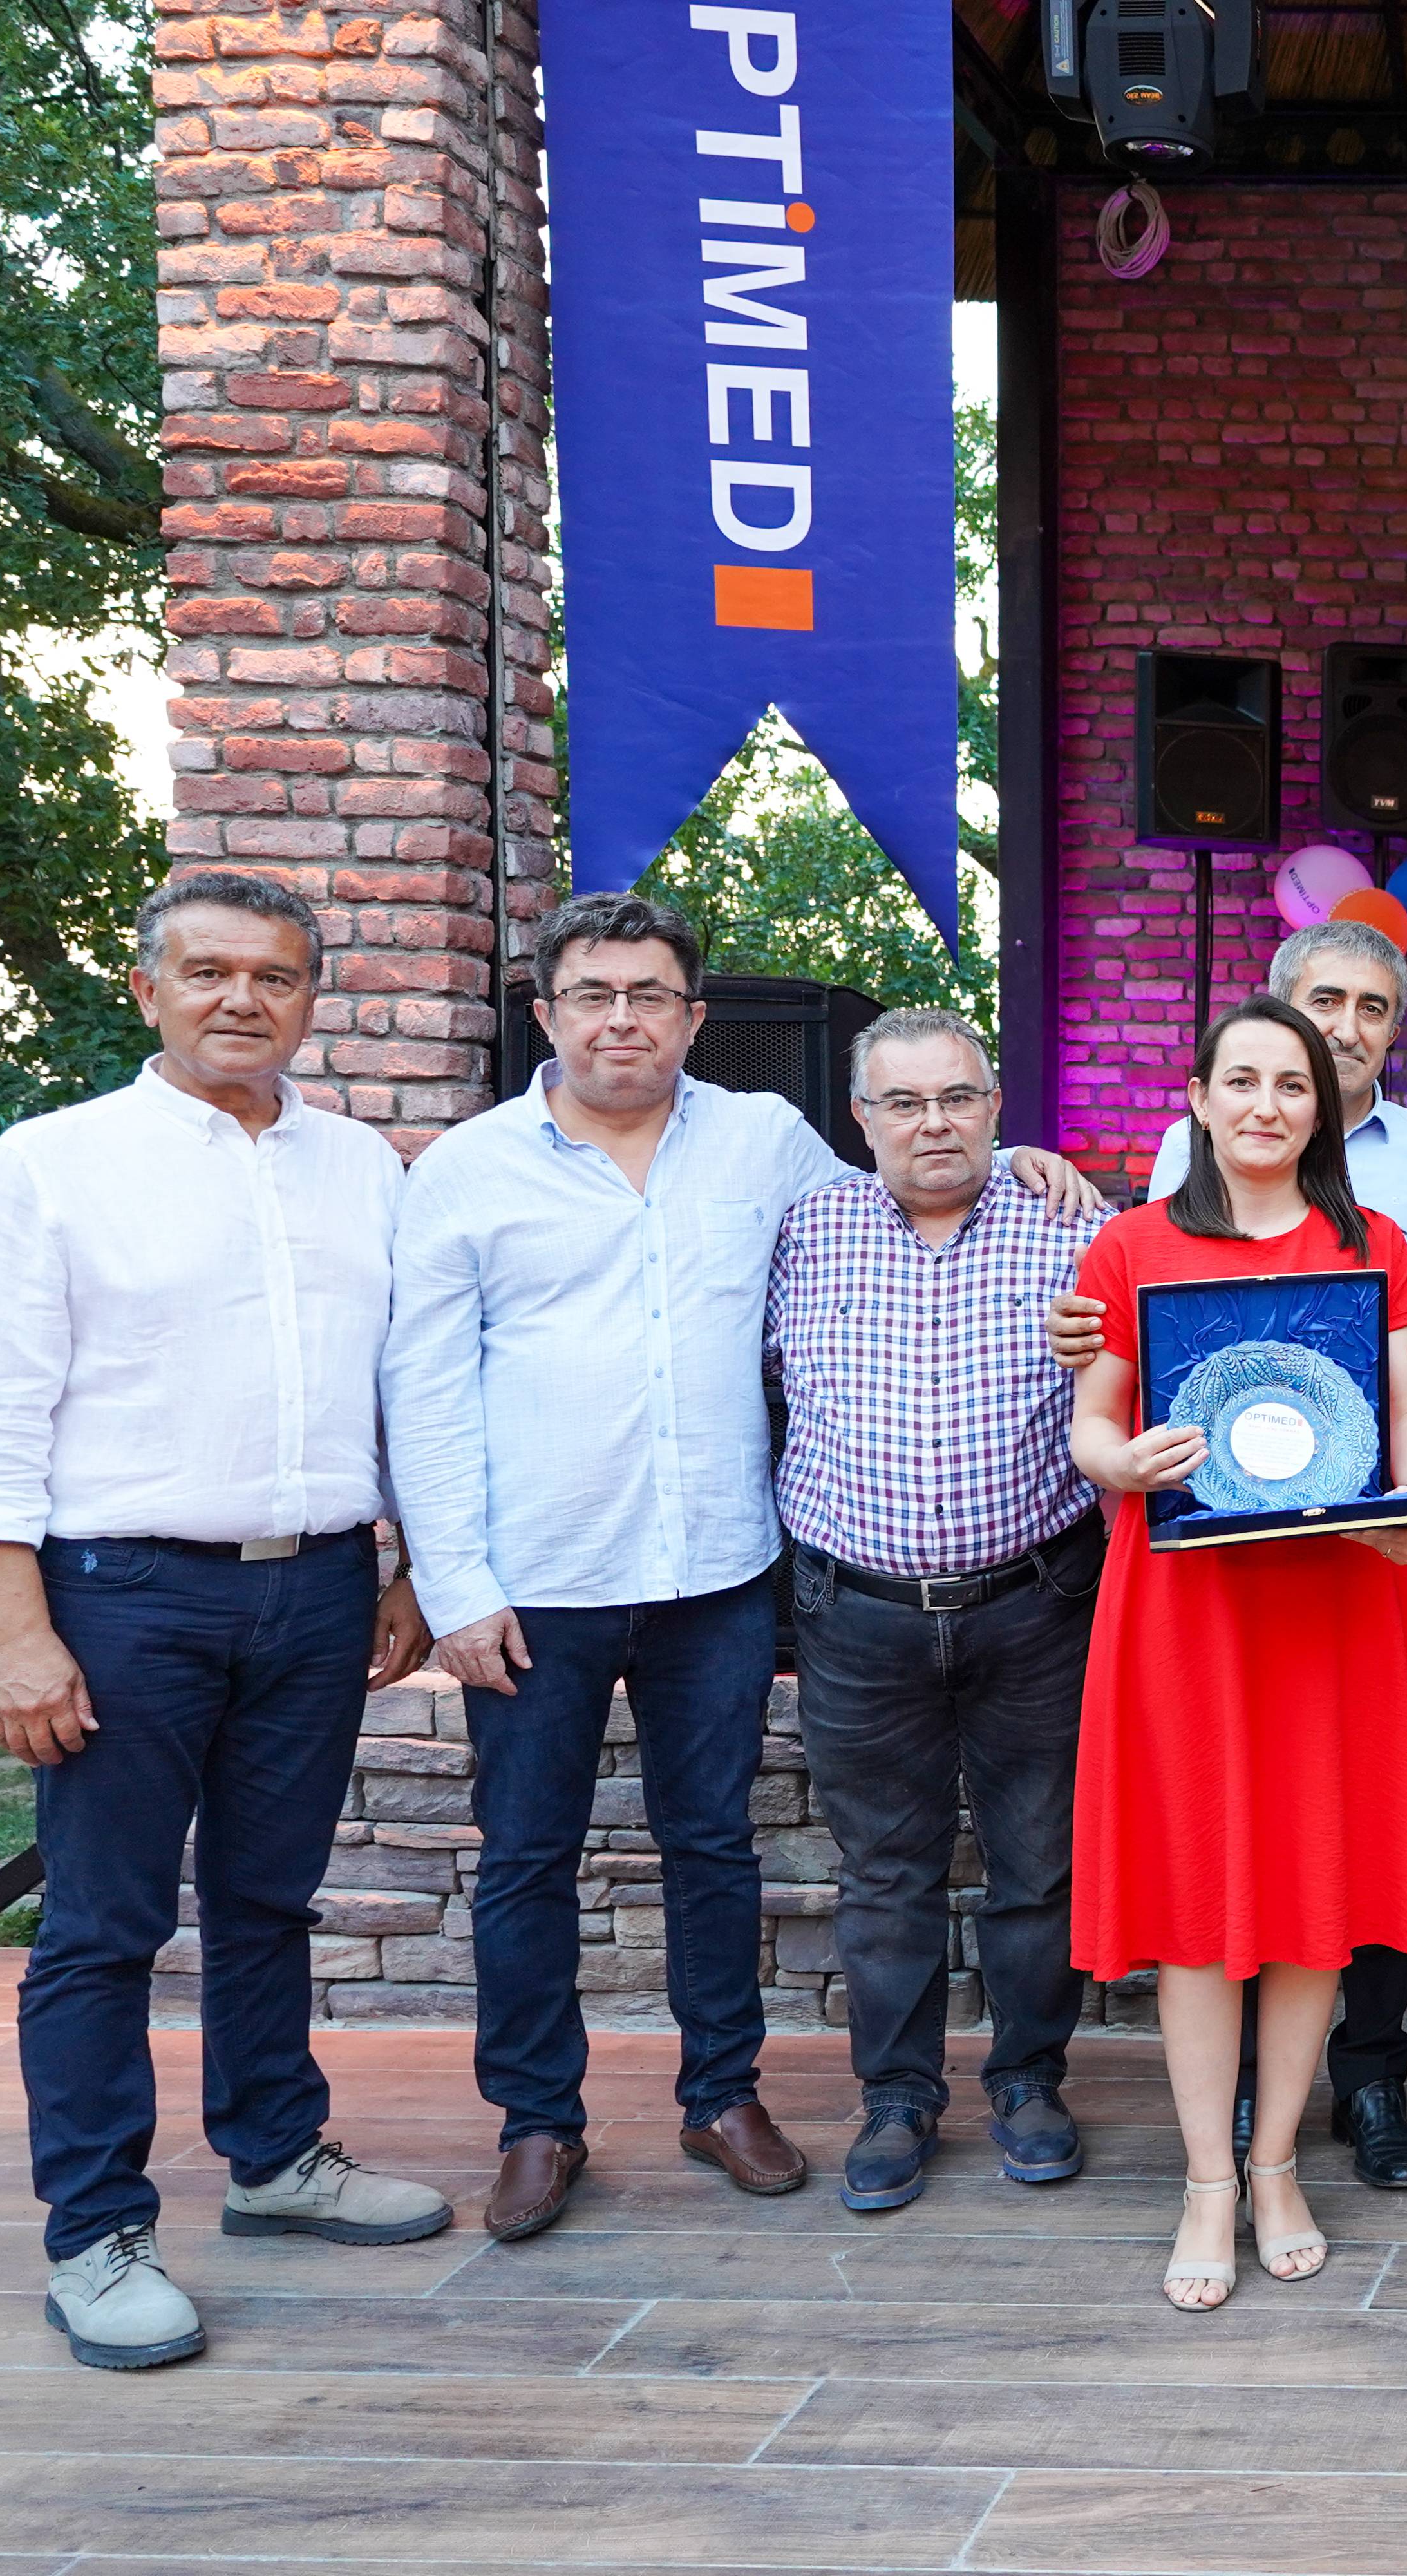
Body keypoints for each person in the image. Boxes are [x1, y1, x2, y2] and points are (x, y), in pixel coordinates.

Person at [382, 891, 1095, 2244]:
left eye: (650, 994)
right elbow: (419, 1389)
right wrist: (451, 1580)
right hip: (536, 1577)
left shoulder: (765, 1143)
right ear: (547, 1011)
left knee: (711, 1844)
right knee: (526, 1855)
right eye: (594, 993)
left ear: (693, 1015)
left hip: (713, 1571)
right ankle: (537, 2119)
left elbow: (916, 1171)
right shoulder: (466, 1171)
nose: (622, 1018)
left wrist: (1023, 1157)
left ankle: (721, 2095)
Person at [0, 869, 449, 2371]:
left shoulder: (363, 1170)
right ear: (147, 988)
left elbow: (404, 1384)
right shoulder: (52, 1165)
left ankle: (275, 2156)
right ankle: (96, 2231)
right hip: (122, 1591)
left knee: (271, 1898)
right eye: (207, 970)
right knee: (106, 1923)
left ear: (310, 1000)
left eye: (274, 975)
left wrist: (411, 1567)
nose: (240, 998)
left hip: (319, 1584)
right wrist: (14, 1629)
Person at [1066, 996, 1407, 2310]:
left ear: (1320, 1107)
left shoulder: (1371, 1241)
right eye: (1242, 1080)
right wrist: (1124, 1463)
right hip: (1189, 1614)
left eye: (1292, 1084)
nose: (1268, 1105)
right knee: (1196, 1896)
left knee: (1311, 1891)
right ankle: (1206, 2182)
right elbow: (1093, 1423)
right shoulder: (1133, 1243)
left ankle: (1276, 2161)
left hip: (1333, 1608)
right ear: (1200, 1098)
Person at [1131, 918, 1407, 2192]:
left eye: (1373, 1006)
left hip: (1353, 1566)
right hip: (1204, 1585)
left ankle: (1348, 2096)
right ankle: (1230, 2143)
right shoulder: (1166, 1190)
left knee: (1337, 1847)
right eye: (1326, 999)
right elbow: (1125, 1363)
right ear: (1207, 1092)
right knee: (1218, 1851)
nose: (1345, 1025)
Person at [768, 1007, 1105, 2216]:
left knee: (1040, 1863)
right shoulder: (803, 1230)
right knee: (885, 1874)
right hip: (856, 1612)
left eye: (958, 1097)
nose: (935, 1124)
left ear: (996, 1104)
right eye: (904, 1103)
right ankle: (898, 2098)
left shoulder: (1076, 1227)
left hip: (1037, 1602)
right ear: (861, 1118)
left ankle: (1028, 2080)